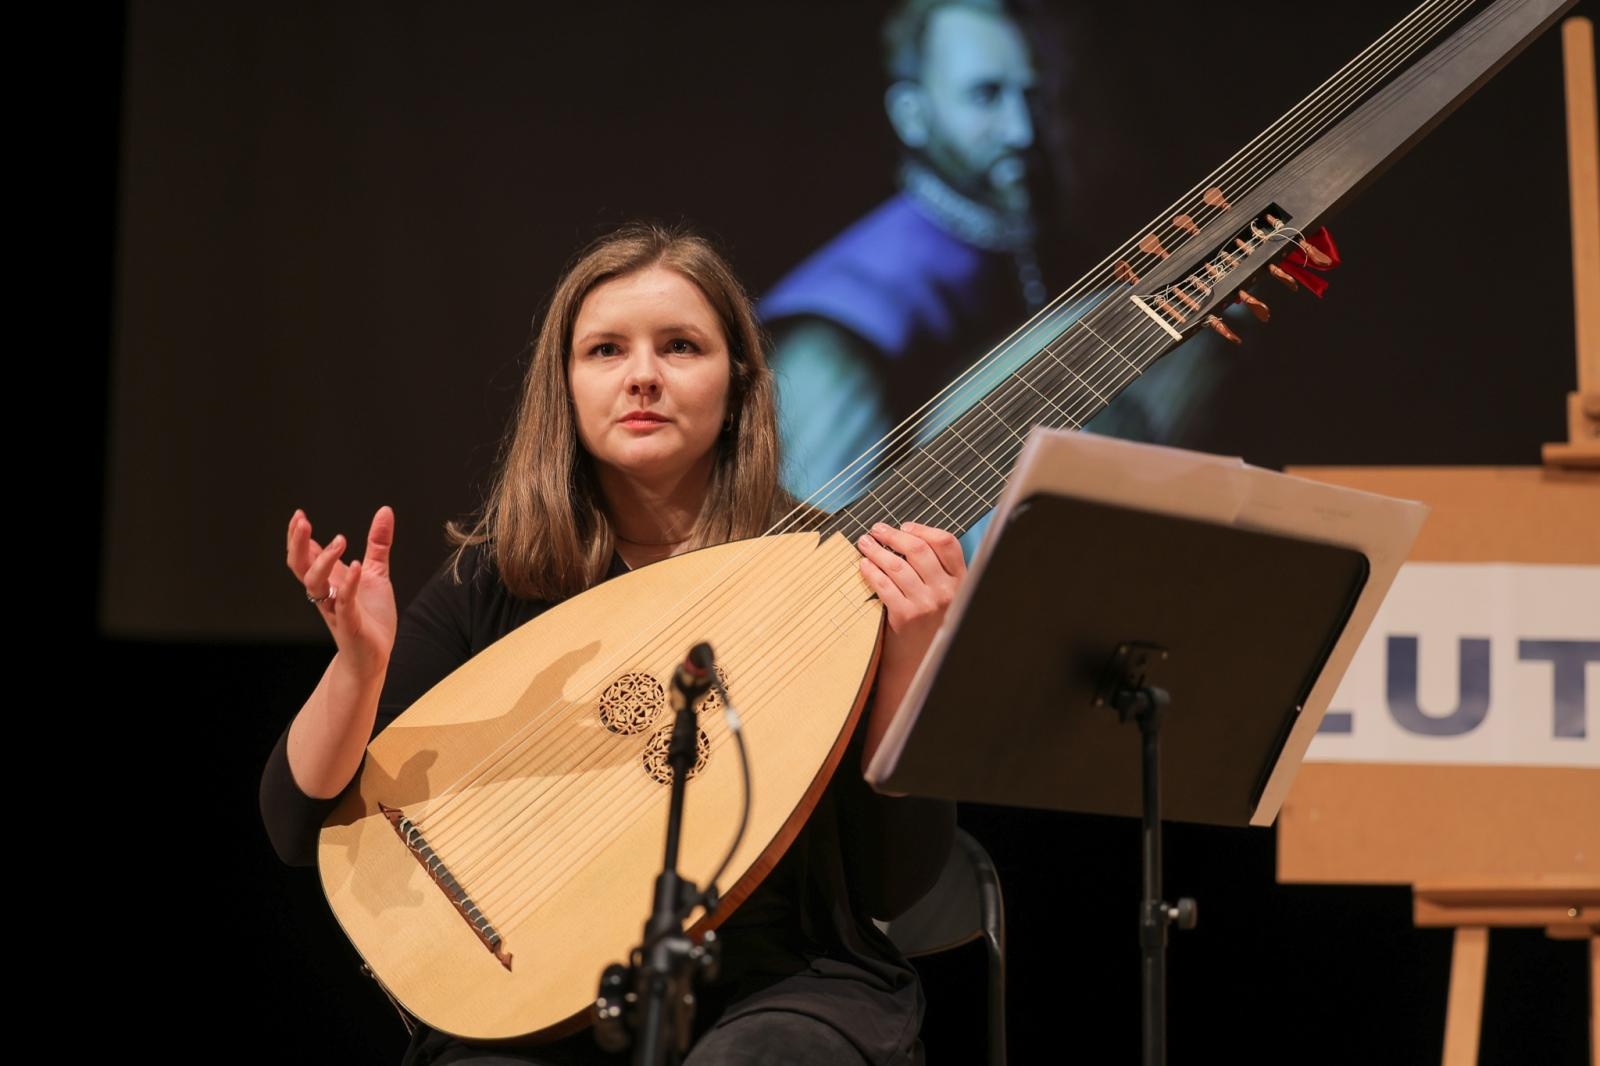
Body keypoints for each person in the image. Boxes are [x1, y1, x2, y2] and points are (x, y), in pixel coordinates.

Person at [258, 223, 963, 1066]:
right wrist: (359, 668)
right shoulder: (501, 579)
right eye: (604, 350)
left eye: (680, 347)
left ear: (738, 384)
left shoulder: (844, 579)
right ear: (565, 386)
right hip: (535, 993)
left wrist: (914, 654)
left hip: (783, 985)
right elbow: (295, 827)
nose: (642, 377)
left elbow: (894, 881)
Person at [764, 0, 1229, 528]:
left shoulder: (1042, 248)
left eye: (1031, 97)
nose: (1021, 130)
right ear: (913, 115)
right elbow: (816, 555)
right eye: (985, 96)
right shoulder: (838, 326)